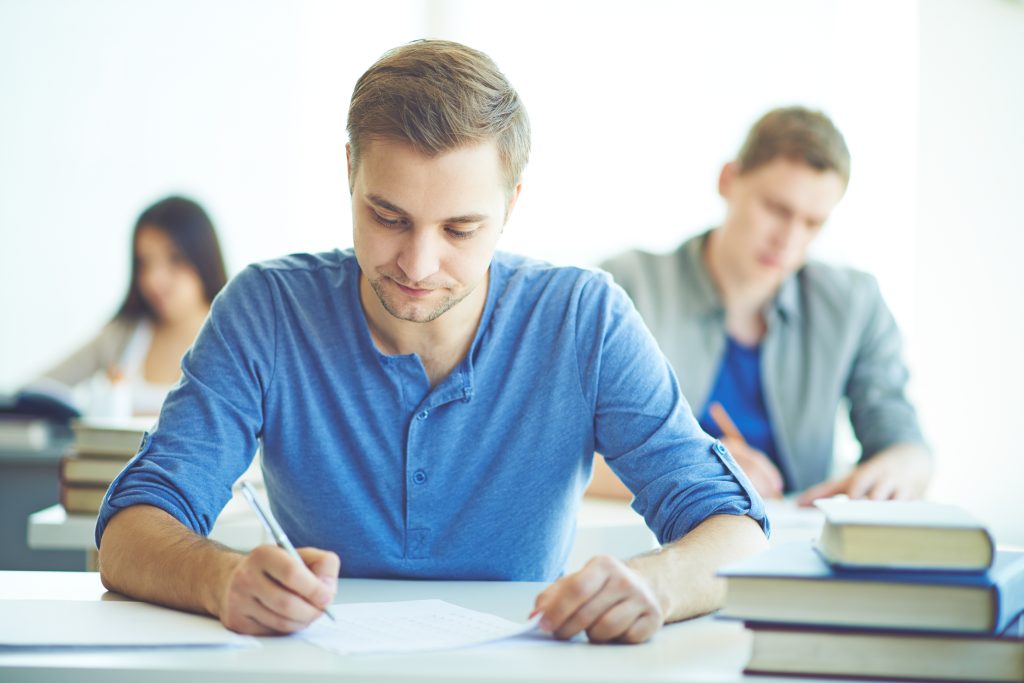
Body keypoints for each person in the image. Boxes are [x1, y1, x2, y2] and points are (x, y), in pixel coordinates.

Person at [95, 40, 768, 645]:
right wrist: (223, 578)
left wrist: (658, 581)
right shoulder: (267, 309)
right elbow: (128, 533)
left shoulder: (583, 319)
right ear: (350, 170)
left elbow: (737, 529)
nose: (417, 264)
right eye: (387, 217)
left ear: (512, 205)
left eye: (460, 228)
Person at [592, 107, 931, 506]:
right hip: (654, 538)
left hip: (795, 544)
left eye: (812, 223)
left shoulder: (854, 304)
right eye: (776, 209)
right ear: (728, 180)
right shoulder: (627, 286)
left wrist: (898, 468)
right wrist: (696, 465)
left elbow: (905, 442)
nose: (789, 239)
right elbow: (560, 451)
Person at [34, 196, 227, 416]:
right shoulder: (122, 336)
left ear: (204, 259)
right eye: (145, 262)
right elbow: (38, 392)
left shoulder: (234, 341)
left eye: (175, 259)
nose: (155, 279)